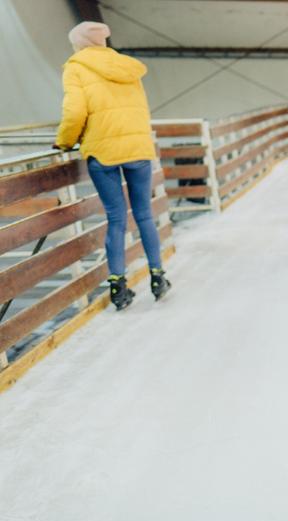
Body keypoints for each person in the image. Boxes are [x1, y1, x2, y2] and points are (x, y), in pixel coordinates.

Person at [54, 21, 171, 310]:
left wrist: (65, 141)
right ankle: (158, 277)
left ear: (79, 44)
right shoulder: (127, 67)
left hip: (102, 151)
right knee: (144, 214)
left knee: (116, 218)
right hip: (137, 148)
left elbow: (74, 111)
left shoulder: (76, 66)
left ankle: (118, 286)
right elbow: (141, 108)